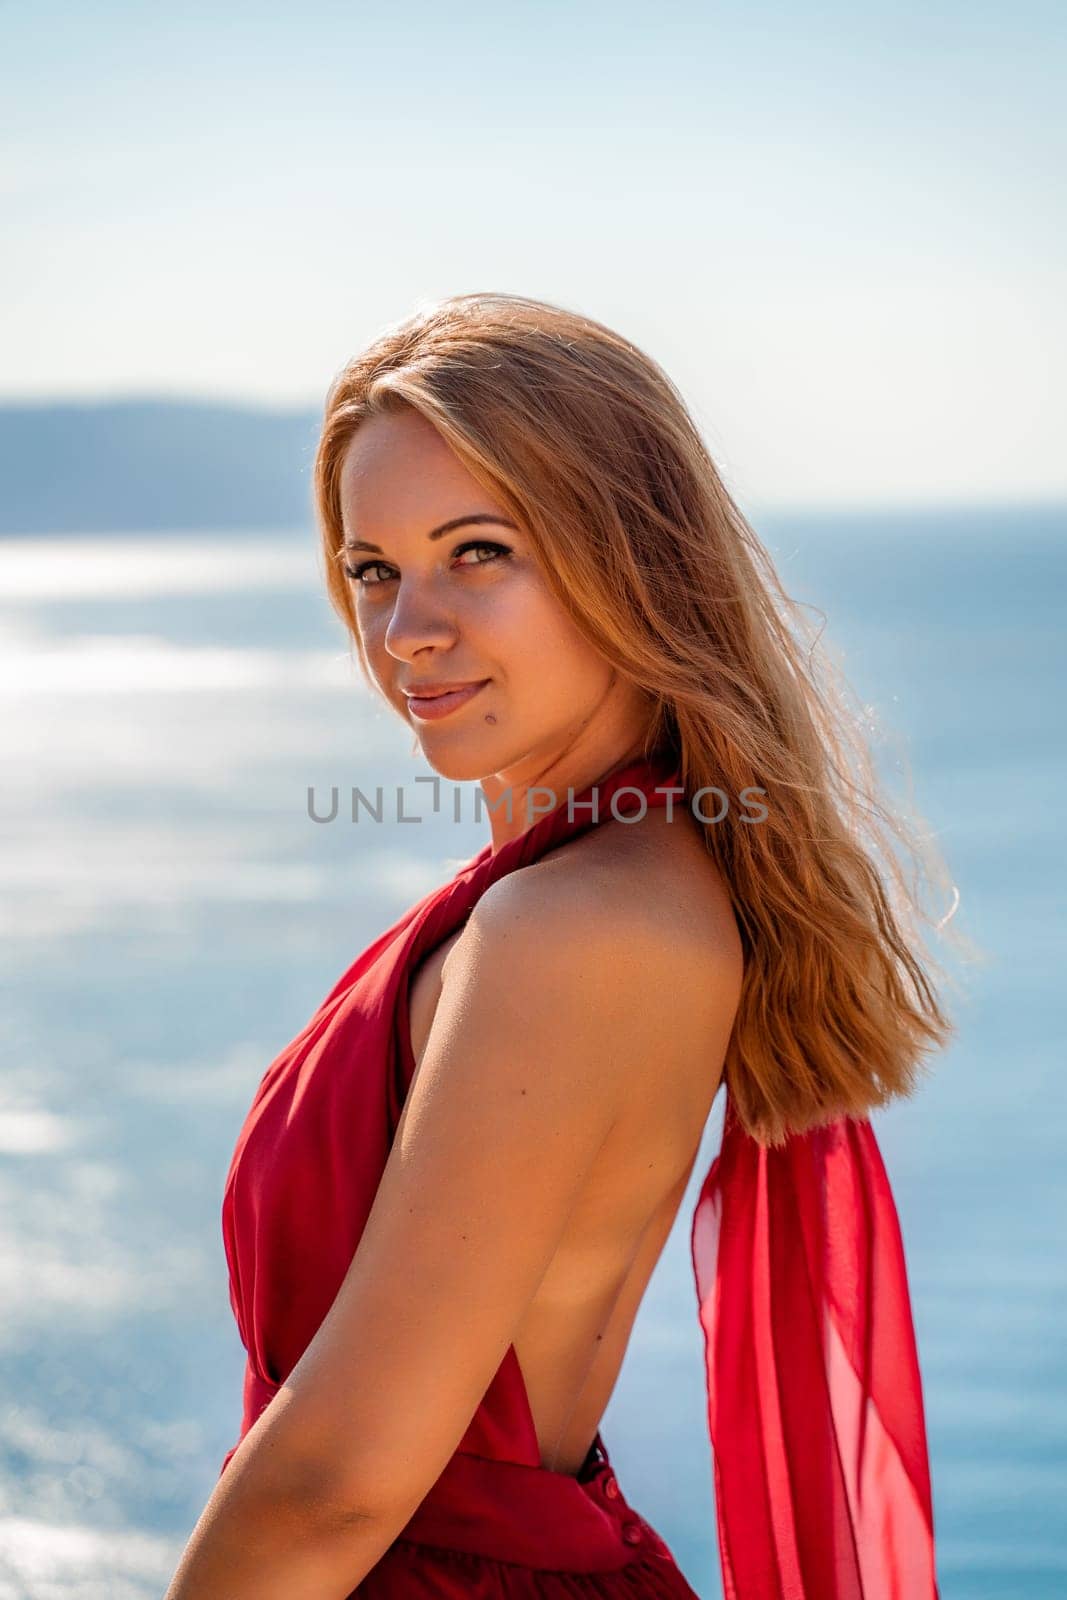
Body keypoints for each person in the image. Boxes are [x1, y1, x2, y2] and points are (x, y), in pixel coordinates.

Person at [165, 292, 959, 1598]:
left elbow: (334, 1486)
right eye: (373, 569)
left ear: (634, 559)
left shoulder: (573, 927)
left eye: (477, 551)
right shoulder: (589, 889)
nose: (406, 628)